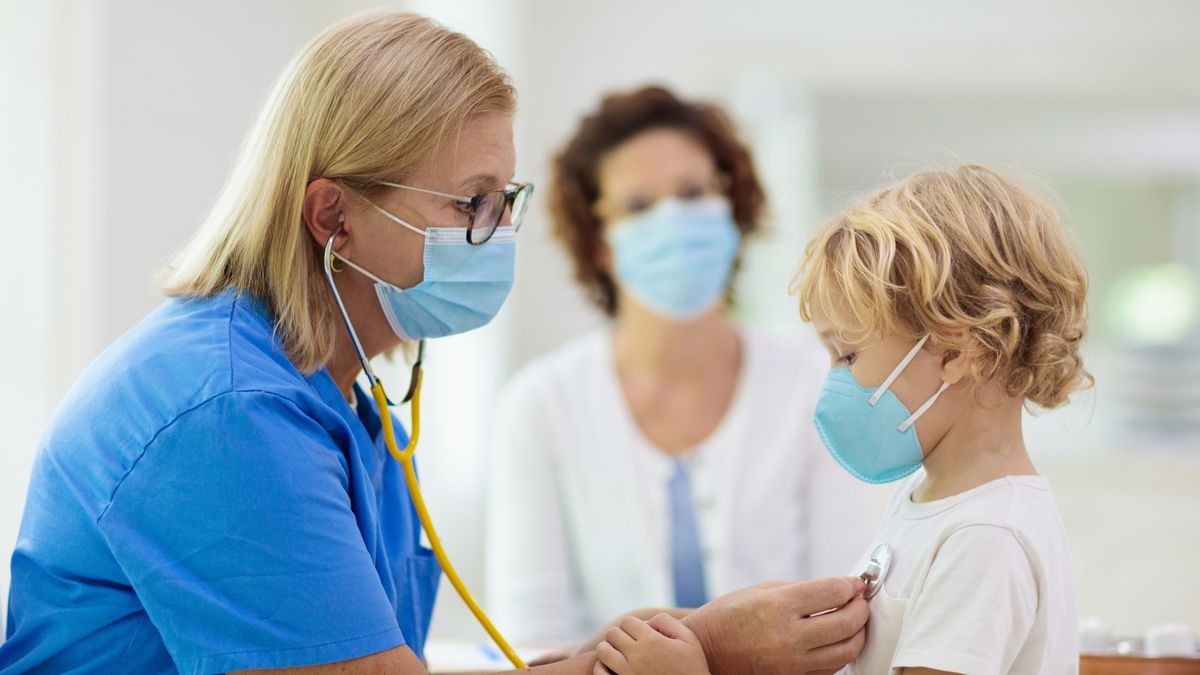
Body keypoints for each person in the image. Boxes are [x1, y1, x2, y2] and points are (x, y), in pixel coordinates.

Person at [0, 12, 869, 675]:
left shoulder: (340, 398)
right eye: (469, 203)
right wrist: (708, 644)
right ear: (334, 215)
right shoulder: (228, 412)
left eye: (504, 200)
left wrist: (612, 655)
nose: (493, 233)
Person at [597, 164, 1088, 674]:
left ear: (954, 351)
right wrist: (708, 637)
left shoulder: (984, 537)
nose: (831, 380)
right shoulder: (929, 503)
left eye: (848, 356)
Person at [485, 85, 879, 645]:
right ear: (599, 243)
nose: (674, 219)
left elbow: (850, 610)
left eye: (694, 192)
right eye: (639, 206)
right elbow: (531, 643)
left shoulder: (817, 385)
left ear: (732, 207)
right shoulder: (541, 406)